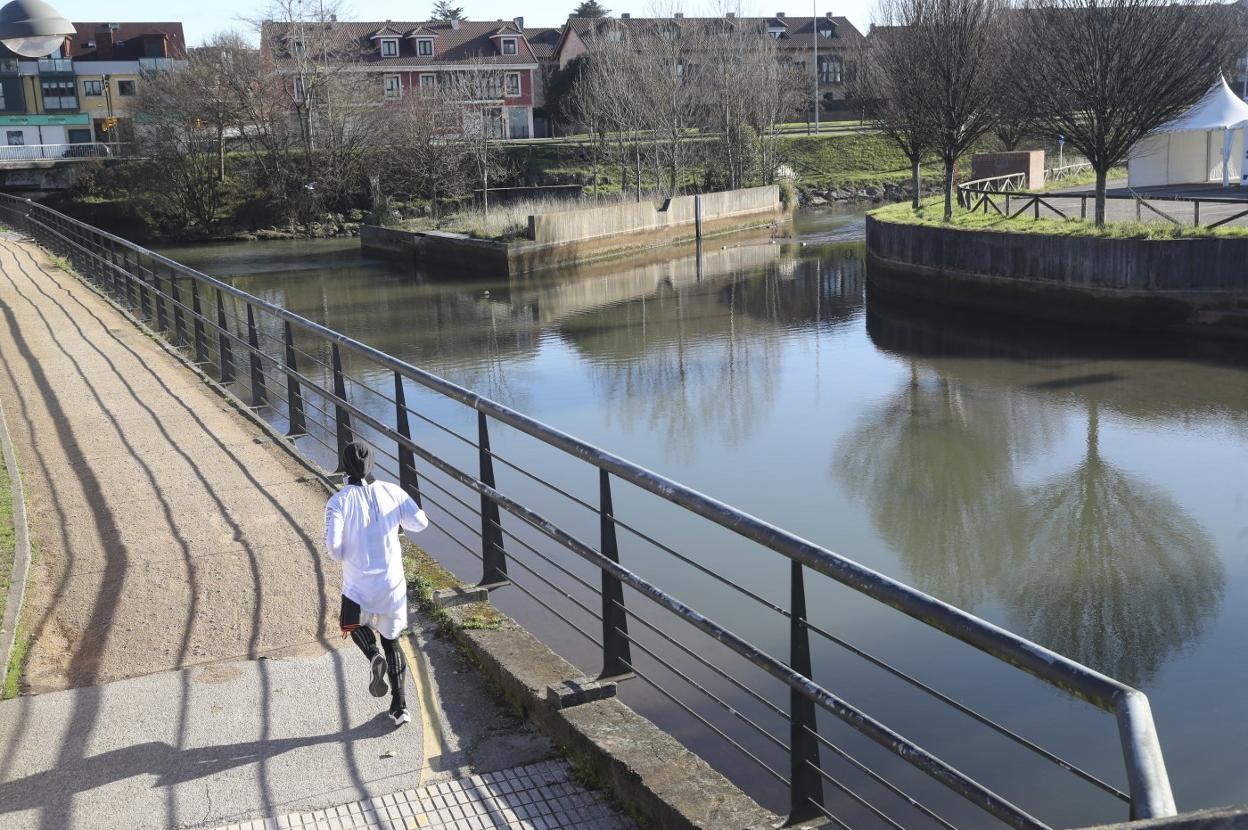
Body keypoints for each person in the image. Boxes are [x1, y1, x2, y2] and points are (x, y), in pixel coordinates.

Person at [324, 441, 428, 726]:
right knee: (392, 641)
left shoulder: (338, 502)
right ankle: (400, 707)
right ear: (373, 464)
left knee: (350, 622)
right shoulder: (392, 491)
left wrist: (353, 546)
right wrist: (394, 522)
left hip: (359, 587)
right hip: (392, 585)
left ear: (344, 466)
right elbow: (421, 523)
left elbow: (333, 550)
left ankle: (372, 655)